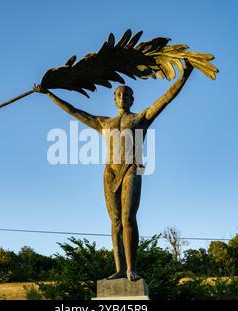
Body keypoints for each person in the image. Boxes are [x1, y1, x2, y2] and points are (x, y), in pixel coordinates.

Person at [33, 60, 193, 281]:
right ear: (114, 99)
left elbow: (165, 99)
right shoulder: (104, 123)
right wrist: (49, 94)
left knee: (128, 218)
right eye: (119, 95)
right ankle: (119, 268)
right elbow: (74, 111)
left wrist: (183, 77)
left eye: (127, 95)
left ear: (132, 99)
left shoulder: (140, 119)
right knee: (115, 220)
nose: (122, 98)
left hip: (131, 169)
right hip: (110, 172)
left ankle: (131, 268)